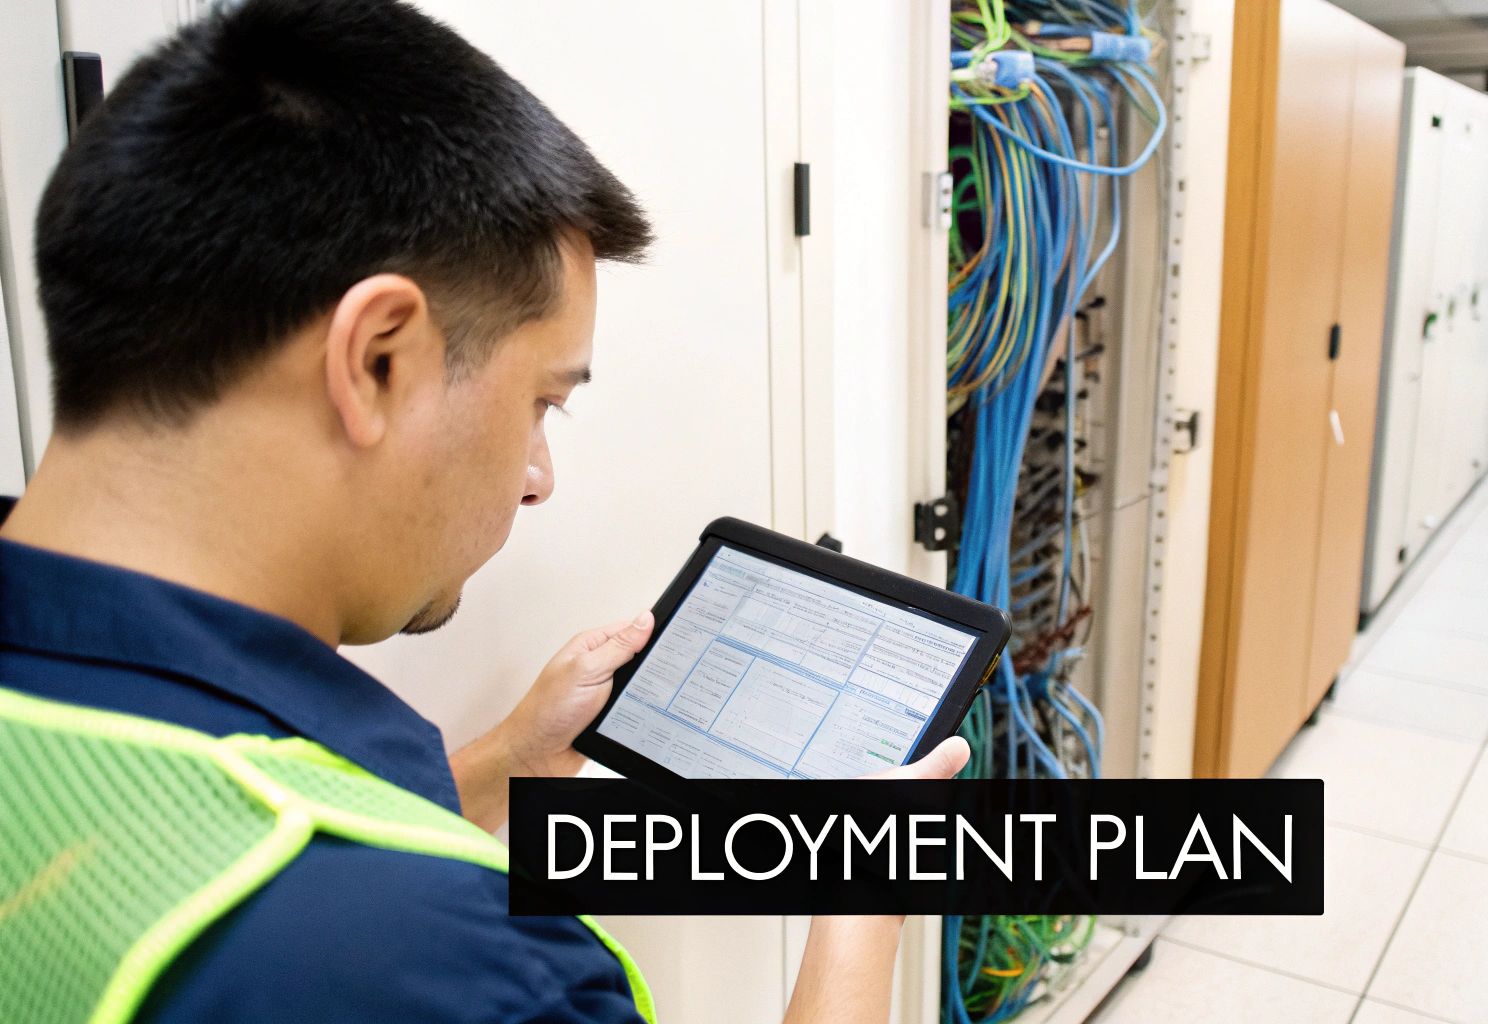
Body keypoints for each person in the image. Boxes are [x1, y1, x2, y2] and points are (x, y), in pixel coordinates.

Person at [0, 0, 968, 1021]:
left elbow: (172, 847)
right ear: (378, 358)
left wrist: (512, 760)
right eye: (542, 401)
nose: (538, 476)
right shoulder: (462, 967)